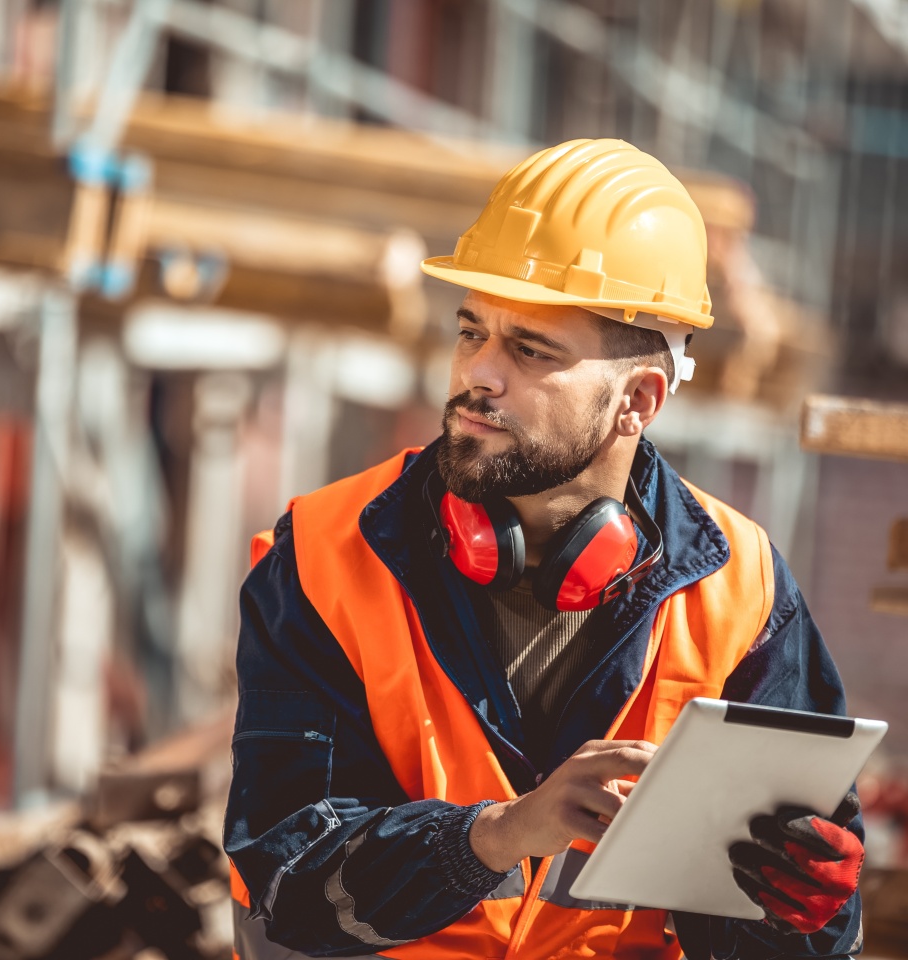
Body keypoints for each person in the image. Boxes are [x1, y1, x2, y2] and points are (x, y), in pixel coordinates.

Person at [224, 139, 865, 960]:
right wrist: (497, 834)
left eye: (530, 349)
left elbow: (794, 934)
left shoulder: (741, 593)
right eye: (472, 332)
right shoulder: (322, 556)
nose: (477, 375)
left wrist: (800, 911)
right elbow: (285, 886)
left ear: (639, 400)